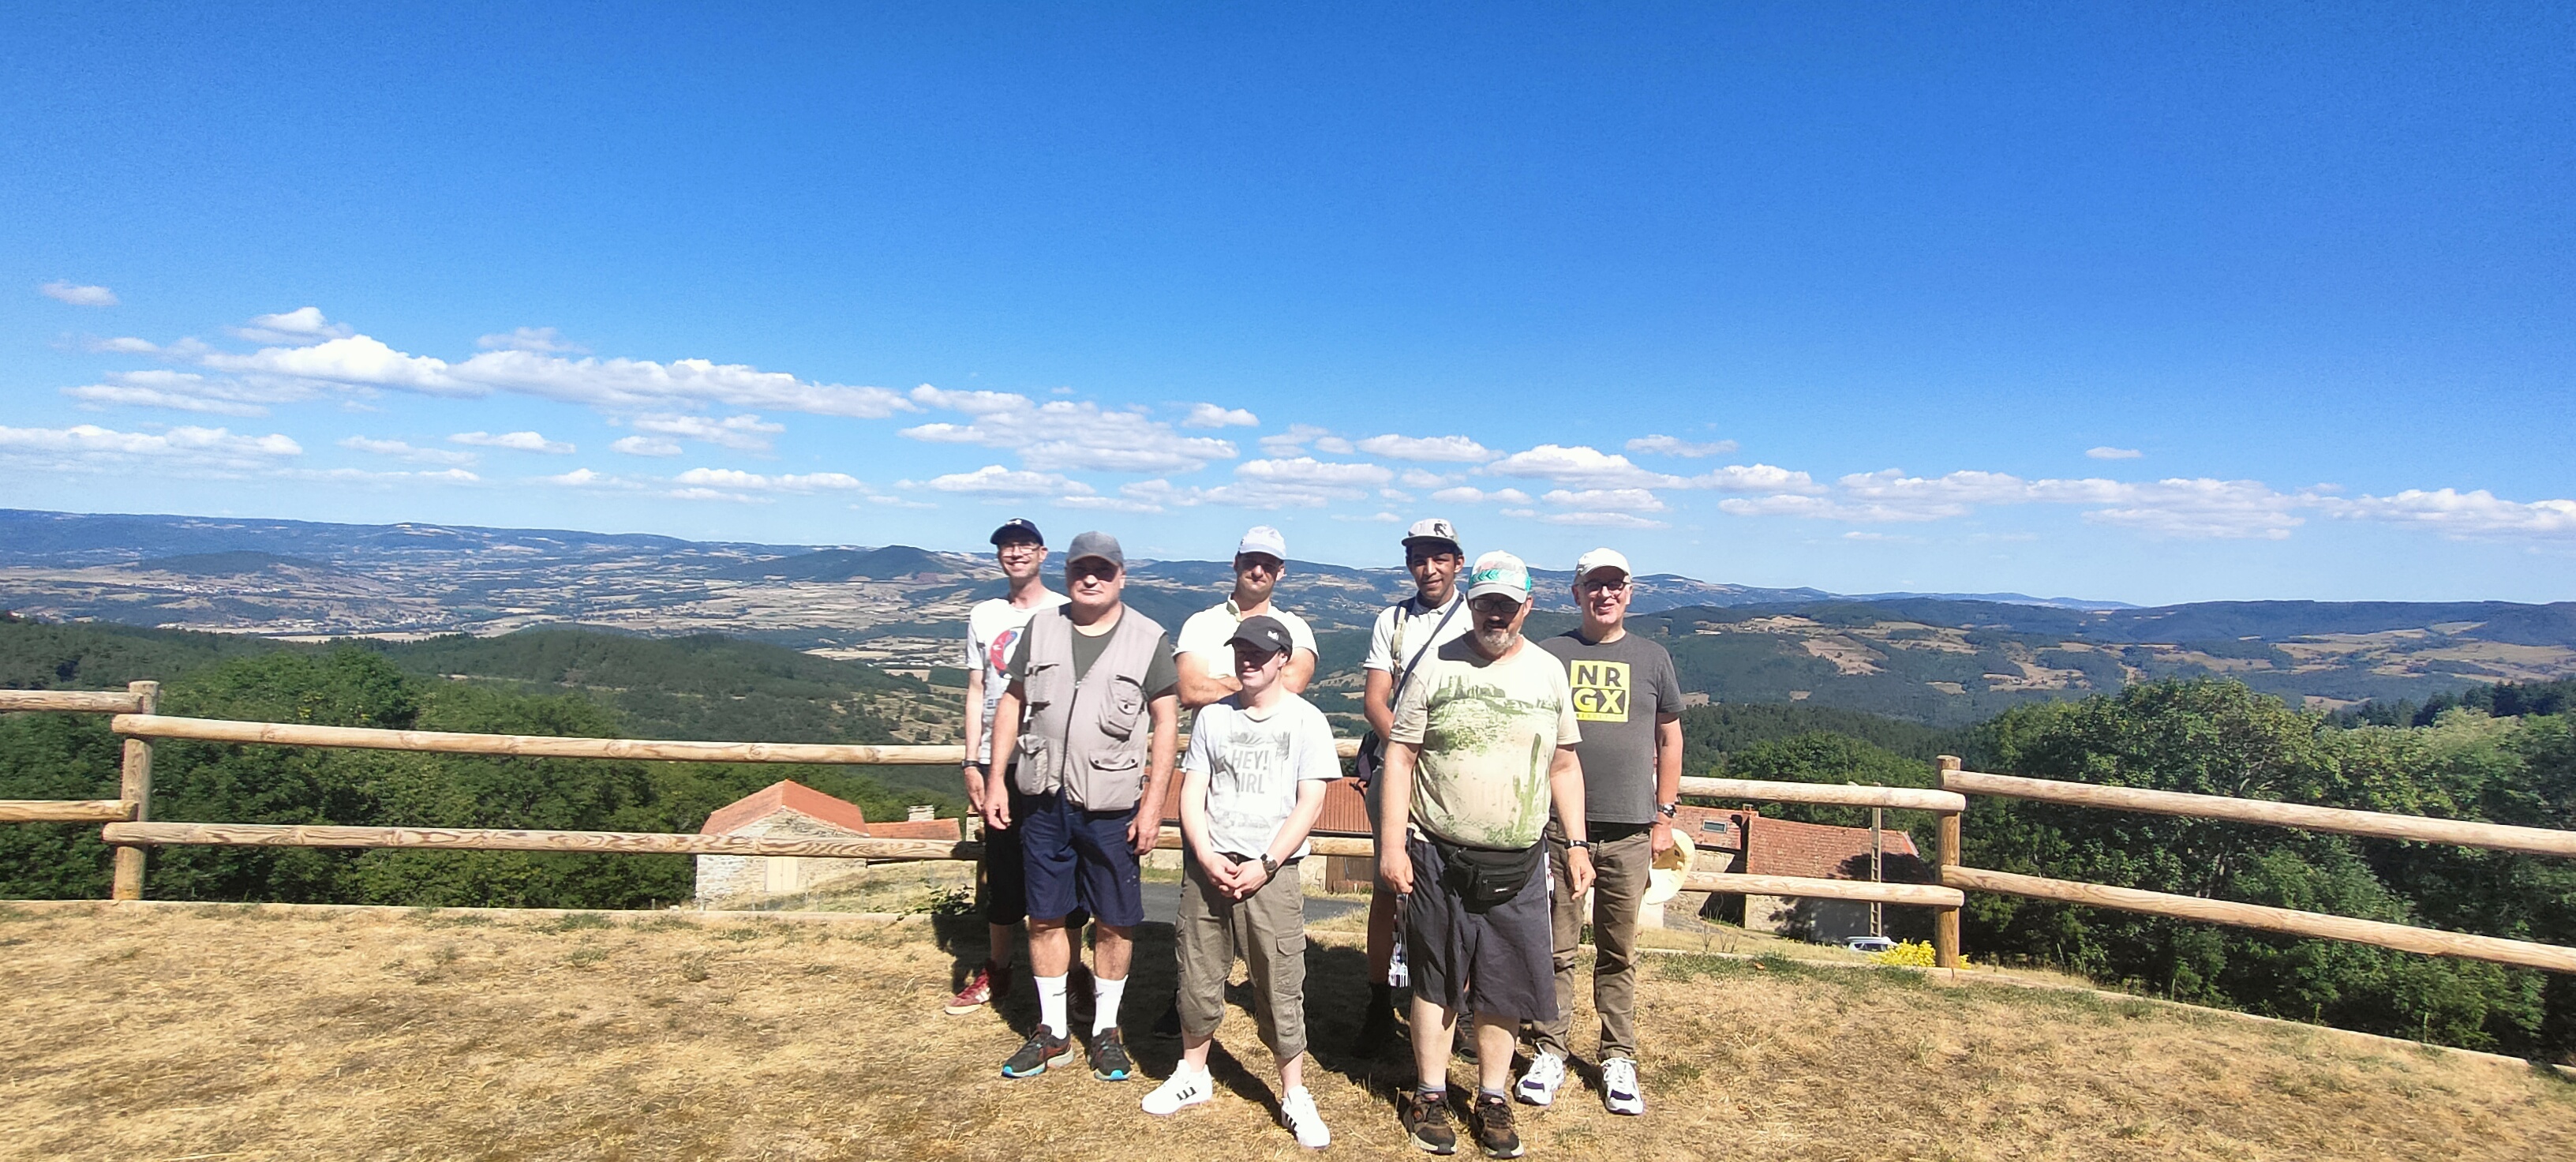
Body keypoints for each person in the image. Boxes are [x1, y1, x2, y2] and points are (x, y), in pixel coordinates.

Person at [1377, 550, 1593, 1160]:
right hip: (1438, 854)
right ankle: (1430, 1093)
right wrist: (1393, 846)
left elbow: (1564, 763)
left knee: (1503, 985)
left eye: (1507, 603)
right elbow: (1401, 757)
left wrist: (1575, 844)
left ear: (1527, 605)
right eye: (1485, 603)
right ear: (1470, 605)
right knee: (1436, 978)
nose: (1495, 615)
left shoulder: (1549, 672)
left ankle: (1492, 1097)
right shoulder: (1435, 668)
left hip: (1520, 858)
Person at [983, 531, 1179, 1083]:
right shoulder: (1042, 628)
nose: (1090, 579)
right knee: (1043, 915)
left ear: (1121, 575)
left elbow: (1166, 722)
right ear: (1067, 572)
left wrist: (1153, 806)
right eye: (1081, 569)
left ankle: (1107, 1031)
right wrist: (997, 779)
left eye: (1102, 570)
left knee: (1116, 922)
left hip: (1114, 806)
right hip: (1042, 799)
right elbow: (1013, 702)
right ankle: (1052, 1033)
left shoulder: (1147, 638)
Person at [1140, 615, 1336, 1149]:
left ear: (1282, 660)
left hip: (1272, 872)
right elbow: (1193, 790)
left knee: (1279, 981)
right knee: (1197, 969)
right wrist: (1203, 853)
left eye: (1260, 652)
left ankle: (1293, 1092)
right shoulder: (1212, 719)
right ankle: (1193, 1073)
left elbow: (1311, 801)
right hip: (1210, 867)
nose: (1248, 659)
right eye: (1241, 650)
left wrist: (1268, 863)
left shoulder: (1307, 720)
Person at [1519, 548, 1683, 1116]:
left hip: (1633, 829)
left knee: (1619, 951)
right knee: (1555, 948)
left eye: (1615, 586)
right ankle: (1549, 1049)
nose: (1605, 595)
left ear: (1630, 593)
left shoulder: (1654, 657)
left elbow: (1670, 740)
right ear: (1576, 592)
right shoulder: (1551, 654)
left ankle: (1618, 1056)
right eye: (1594, 586)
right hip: (1563, 830)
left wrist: (1666, 815)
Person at [946, 518, 1084, 1017]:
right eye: (1007, 546)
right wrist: (972, 761)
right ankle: (998, 969)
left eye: (1025, 545)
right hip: (995, 756)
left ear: (1043, 554)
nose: (1016, 553)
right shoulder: (983, 614)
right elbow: (977, 688)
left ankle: (1071, 973)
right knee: (1003, 865)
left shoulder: (1065, 610)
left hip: (1052, 755)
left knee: (1061, 860)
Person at [1352, 517, 1471, 1055]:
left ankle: (1458, 1004)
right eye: (1420, 558)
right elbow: (1375, 700)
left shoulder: (1479, 615)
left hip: (1459, 779)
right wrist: (1406, 754)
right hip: (1401, 776)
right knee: (1387, 887)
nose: (1429, 567)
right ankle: (1379, 1000)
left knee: (1461, 890)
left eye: (1439, 557)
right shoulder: (1393, 621)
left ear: (1457, 563)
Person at [1173, 525, 1319, 709]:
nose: (1258, 572)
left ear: (1280, 572)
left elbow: (1294, 681)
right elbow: (1190, 690)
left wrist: (1219, 682)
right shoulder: (1201, 624)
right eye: (1251, 562)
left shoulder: (1295, 628)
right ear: (1236, 563)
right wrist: (1262, 683)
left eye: (1268, 566)